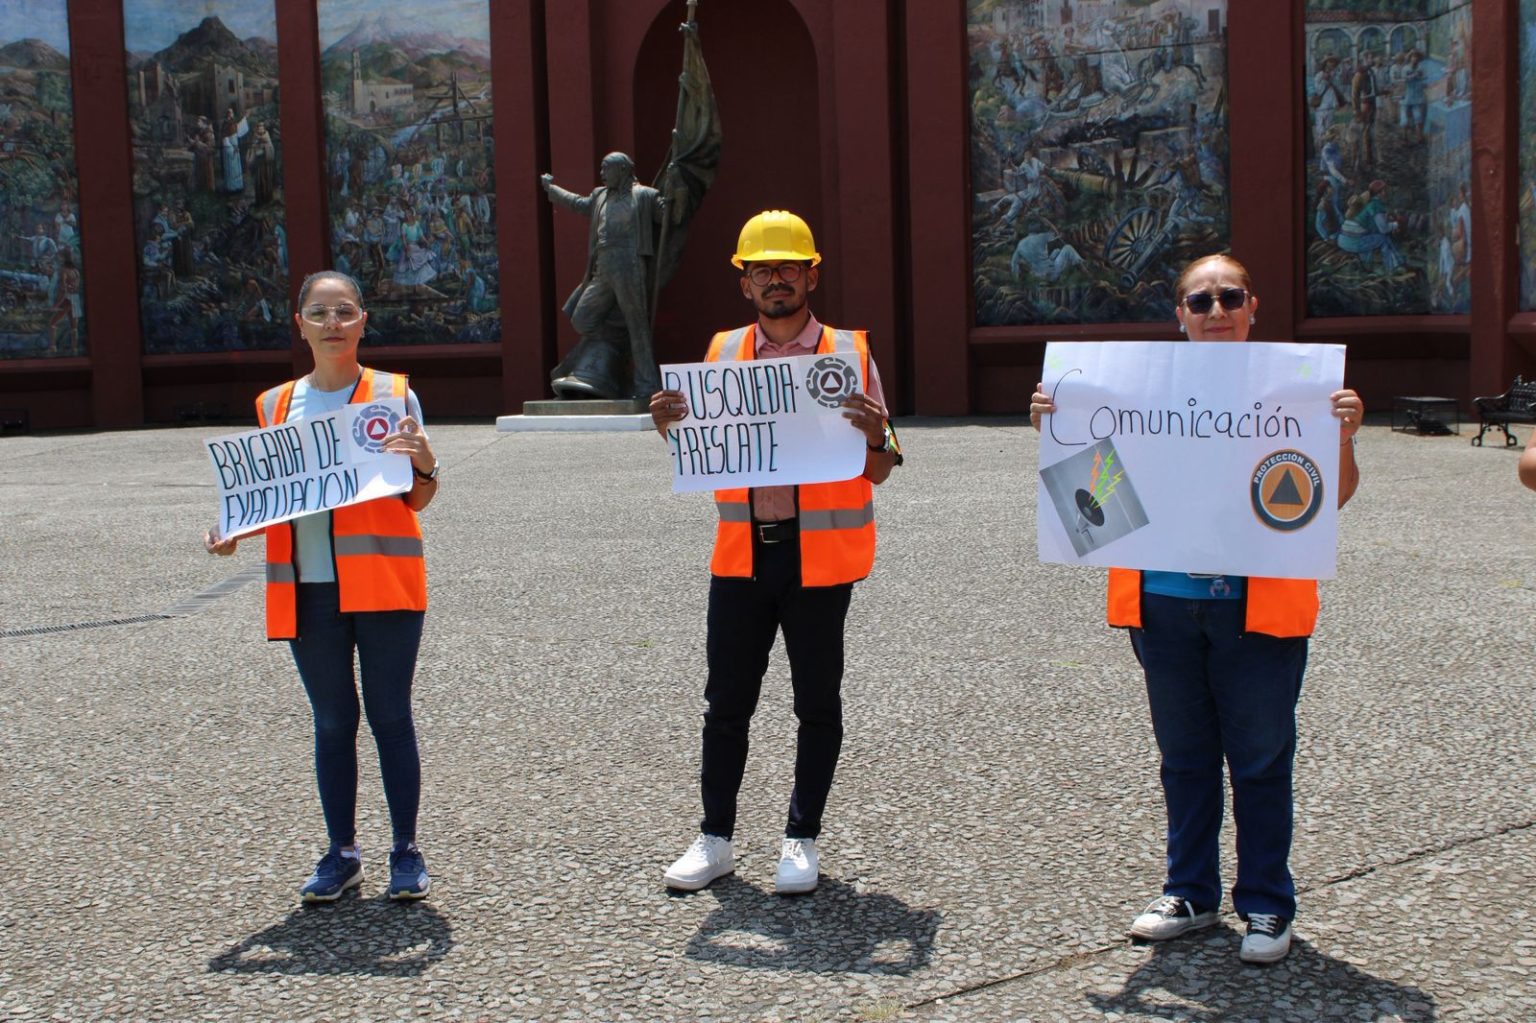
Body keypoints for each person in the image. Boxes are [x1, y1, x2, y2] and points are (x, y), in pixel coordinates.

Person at [1029, 254, 1363, 964]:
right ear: (1179, 314)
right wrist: (1060, 429)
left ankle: (1266, 903)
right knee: (1184, 759)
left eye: (1229, 297)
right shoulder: (1138, 393)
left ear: (1253, 306)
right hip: (1164, 605)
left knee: (1261, 760)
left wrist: (1340, 435)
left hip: (1258, 611)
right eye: (1200, 300)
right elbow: (1094, 491)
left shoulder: (1295, 391)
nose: (1216, 311)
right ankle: (1189, 892)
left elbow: (1328, 497)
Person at [649, 211, 902, 895]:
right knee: (725, 702)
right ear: (745, 283)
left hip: (820, 558)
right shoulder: (722, 353)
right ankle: (715, 838)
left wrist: (877, 433)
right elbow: (706, 449)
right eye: (762, 269)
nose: (776, 279)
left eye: (789, 266)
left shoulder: (848, 354)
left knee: (816, 702)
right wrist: (669, 427)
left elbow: (883, 465)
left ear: (812, 275)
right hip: (741, 556)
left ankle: (801, 838)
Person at [203, 269, 441, 904]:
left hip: (385, 584)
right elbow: (272, 498)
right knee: (333, 721)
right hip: (308, 589)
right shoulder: (275, 406)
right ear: (300, 325)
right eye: (319, 313)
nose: (332, 323)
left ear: (363, 321)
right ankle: (342, 853)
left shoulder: (393, 396)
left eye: (344, 312)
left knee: (391, 717)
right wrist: (232, 531)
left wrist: (424, 461)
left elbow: (417, 498)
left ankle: (405, 850)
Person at [540, 153, 666, 400]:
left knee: (638, 328)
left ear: (623, 170)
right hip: (603, 266)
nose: (602, 174)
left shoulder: (645, 195)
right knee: (581, 318)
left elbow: (668, 216)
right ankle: (615, 342)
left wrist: (676, 197)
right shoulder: (600, 196)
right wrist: (552, 189)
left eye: (606, 169)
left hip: (630, 264)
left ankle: (647, 385)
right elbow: (578, 203)